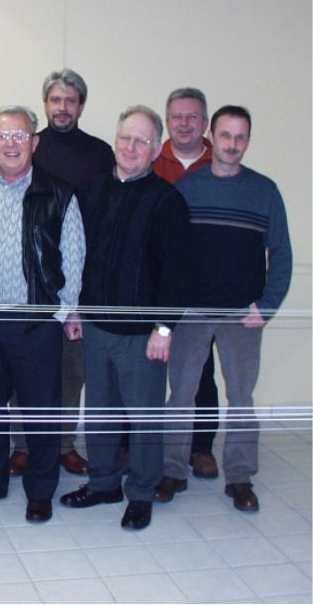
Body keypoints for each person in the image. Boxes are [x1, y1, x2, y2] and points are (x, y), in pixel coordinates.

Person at [0, 106, 85, 524]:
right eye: (3, 136)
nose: (12, 144)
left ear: (34, 143)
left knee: (41, 412)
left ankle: (40, 492)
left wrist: (60, 314)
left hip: (35, 322)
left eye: (20, 136)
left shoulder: (60, 194)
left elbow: (74, 257)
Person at [60, 105, 192, 531]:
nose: (131, 147)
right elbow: (75, 257)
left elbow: (177, 274)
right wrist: (74, 309)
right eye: (125, 138)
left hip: (142, 336)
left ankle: (141, 493)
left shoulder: (167, 201)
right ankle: (103, 484)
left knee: (144, 418)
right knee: (99, 413)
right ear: (115, 141)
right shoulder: (91, 192)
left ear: (155, 150)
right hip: (95, 327)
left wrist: (164, 328)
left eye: (141, 141)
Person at [155, 105, 292, 512]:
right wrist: (172, 311)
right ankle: (172, 471)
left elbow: (282, 254)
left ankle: (240, 478)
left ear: (247, 141)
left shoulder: (264, 191)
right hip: (192, 313)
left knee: (241, 398)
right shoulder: (187, 188)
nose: (233, 144)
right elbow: (171, 253)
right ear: (211, 137)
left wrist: (267, 307)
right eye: (226, 135)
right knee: (181, 395)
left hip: (242, 316)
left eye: (240, 137)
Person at [8, 68, 115, 479]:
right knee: (26, 368)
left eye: (71, 100)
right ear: (45, 104)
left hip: (80, 275)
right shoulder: (29, 147)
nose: (63, 107)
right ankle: (22, 446)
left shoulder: (100, 154)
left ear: (81, 105)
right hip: (32, 275)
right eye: (56, 100)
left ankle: (65, 444)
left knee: (72, 369)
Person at [151, 87, 220, 479]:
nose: (184, 123)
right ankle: (132, 444)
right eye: (176, 116)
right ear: (167, 121)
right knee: (143, 371)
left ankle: (201, 447)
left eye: (192, 116)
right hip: (154, 288)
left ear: (205, 123)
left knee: (200, 374)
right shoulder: (151, 160)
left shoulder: (220, 164)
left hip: (201, 292)